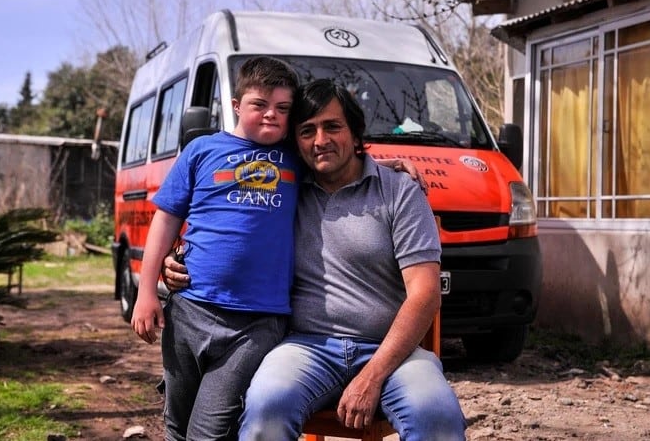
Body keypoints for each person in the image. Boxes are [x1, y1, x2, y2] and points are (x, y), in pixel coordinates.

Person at [164, 79, 466, 440]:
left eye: (332, 127)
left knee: (437, 418)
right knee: (265, 415)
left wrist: (372, 376)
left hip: (391, 351)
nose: (320, 140)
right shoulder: (283, 188)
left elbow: (425, 293)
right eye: (307, 131)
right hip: (304, 347)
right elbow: (227, 229)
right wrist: (178, 259)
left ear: (356, 135)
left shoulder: (399, 191)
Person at [131, 56, 301, 441]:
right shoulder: (201, 150)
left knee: (209, 430)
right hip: (189, 311)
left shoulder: (297, 158)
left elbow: (342, 163)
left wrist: (389, 166)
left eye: (283, 108)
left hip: (257, 323)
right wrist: (145, 292)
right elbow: (166, 219)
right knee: (177, 423)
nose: (272, 115)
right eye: (260, 104)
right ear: (237, 106)